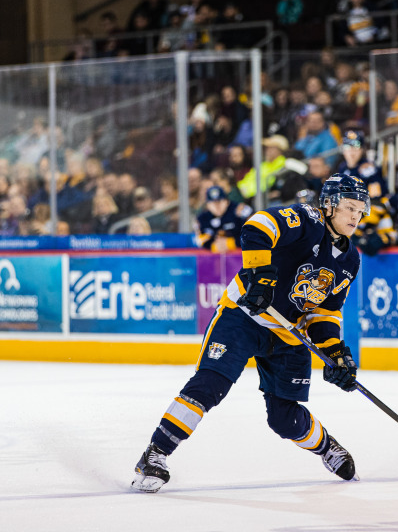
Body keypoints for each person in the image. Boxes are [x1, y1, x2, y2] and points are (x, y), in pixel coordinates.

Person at [132, 175, 368, 492]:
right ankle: (155, 454)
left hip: (288, 334)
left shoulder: (351, 259)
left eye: (360, 209)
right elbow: (258, 225)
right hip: (243, 316)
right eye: (349, 207)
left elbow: (323, 312)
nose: (355, 216)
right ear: (328, 205)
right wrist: (261, 274)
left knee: (284, 419)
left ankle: (327, 447)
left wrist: (335, 353)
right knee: (211, 382)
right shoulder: (307, 219)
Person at [194, 185, 252, 252]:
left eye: (220, 201)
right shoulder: (202, 218)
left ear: (227, 202)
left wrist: (230, 243)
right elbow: (200, 241)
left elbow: (253, 235)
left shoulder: (240, 210)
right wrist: (214, 246)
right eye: (213, 203)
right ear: (207, 205)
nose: (217, 206)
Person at [337, 129, 386, 198]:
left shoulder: (369, 168)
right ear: (342, 150)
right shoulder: (342, 167)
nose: (351, 151)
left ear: (362, 150)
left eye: (356, 147)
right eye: (347, 147)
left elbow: (377, 196)